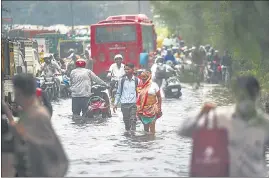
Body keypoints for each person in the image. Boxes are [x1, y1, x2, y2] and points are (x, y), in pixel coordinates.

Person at [177, 75, 269, 177]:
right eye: (242, 97)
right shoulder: (220, 117)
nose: (247, 102)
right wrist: (201, 114)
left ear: (257, 95)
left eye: (251, 96)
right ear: (235, 95)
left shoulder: (265, 123)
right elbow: (183, 131)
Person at [2, 73, 69, 177]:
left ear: (20, 92)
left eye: (16, 92)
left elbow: (55, 156)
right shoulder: (28, 113)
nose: (15, 98)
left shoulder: (37, 115)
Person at [113, 63, 139, 131]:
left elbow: (140, 93)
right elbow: (118, 93)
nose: (126, 71)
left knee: (133, 120)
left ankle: (133, 137)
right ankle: (127, 137)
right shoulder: (122, 80)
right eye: (125, 69)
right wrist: (115, 103)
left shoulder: (137, 80)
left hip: (134, 104)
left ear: (133, 70)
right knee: (126, 122)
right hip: (124, 104)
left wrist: (140, 104)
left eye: (128, 69)